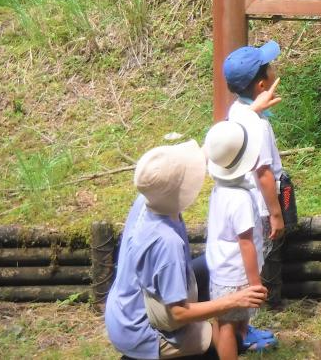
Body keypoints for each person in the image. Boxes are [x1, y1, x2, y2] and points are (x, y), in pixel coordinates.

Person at [104, 141, 267, 359]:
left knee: (211, 267)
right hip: (142, 329)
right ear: (180, 189)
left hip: (124, 310)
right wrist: (234, 300)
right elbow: (177, 313)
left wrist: (237, 134)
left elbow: (206, 153)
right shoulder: (166, 242)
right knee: (225, 341)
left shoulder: (149, 196)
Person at [203, 120, 276, 358]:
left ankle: (238, 342)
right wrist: (255, 284)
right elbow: (245, 243)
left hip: (221, 268)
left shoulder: (220, 187)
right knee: (227, 325)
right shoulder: (240, 199)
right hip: (235, 276)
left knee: (223, 320)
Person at [223, 41, 289, 255]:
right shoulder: (258, 125)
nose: (274, 69)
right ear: (262, 85)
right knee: (268, 266)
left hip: (244, 205)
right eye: (270, 67)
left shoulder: (237, 110)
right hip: (262, 209)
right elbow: (263, 172)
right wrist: (276, 214)